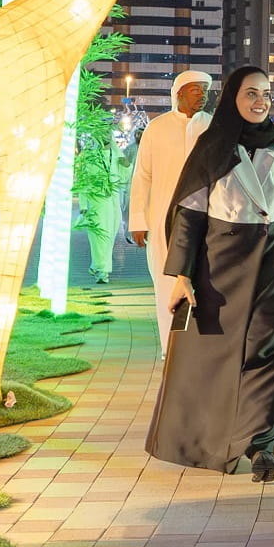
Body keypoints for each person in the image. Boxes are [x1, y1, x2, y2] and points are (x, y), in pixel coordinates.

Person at [148, 66, 274, 482]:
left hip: (273, 260)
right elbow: (189, 214)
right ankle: (207, 440)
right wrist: (182, 276)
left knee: (272, 354)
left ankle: (262, 446)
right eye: (251, 94)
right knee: (216, 357)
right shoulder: (212, 146)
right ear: (232, 99)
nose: (261, 102)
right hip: (219, 263)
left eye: (267, 94)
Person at [130, 70, 211, 351]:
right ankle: (172, 348)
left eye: (205, 89)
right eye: (195, 90)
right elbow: (142, 176)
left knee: (204, 280)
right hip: (163, 216)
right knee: (166, 281)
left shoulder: (212, 127)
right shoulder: (157, 128)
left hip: (207, 219)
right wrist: (138, 220)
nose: (202, 94)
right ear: (178, 94)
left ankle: (198, 349)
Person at [80, 138, 134, 283]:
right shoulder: (89, 155)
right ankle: (103, 272)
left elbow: (125, 177)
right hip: (96, 201)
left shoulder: (116, 154)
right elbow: (83, 181)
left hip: (113, 201)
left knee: (110, 235)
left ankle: (96, 265)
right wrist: (83, 205)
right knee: (99, 236)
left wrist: (127, 165)